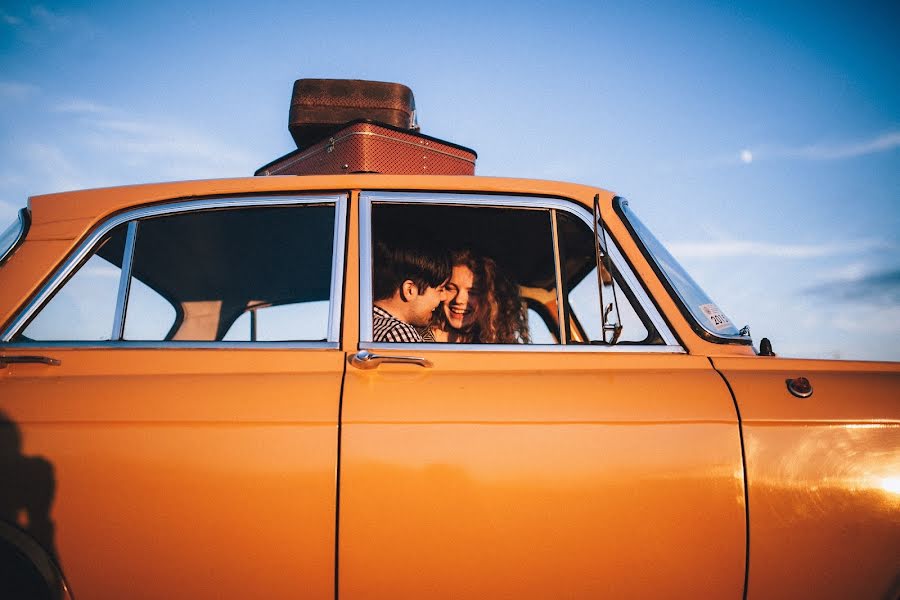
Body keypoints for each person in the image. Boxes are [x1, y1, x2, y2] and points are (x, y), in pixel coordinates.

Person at [429, 249, 529, 344]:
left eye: (473, 292)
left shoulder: (501, 348)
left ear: (491, 299)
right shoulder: (418, 339)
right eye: (451, 288)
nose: (459, 300)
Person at [372, 242, 450, 342]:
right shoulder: (398, 332)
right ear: (409, 290)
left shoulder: (367, 324)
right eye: (439, 290)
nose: (444, 297)